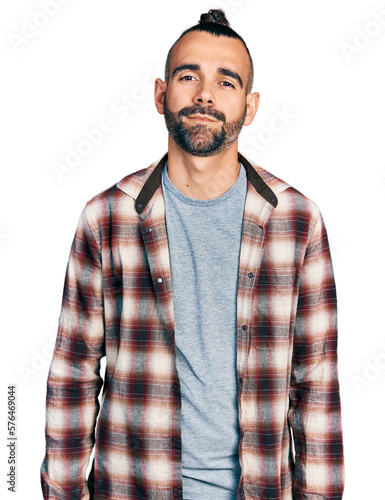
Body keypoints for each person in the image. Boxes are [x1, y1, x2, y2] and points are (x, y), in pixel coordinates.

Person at [40, 8, 345, 500]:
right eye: (189, 76)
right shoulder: (106, 218)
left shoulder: (298, 221)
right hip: (132, 485)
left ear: (250, 106)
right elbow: (73, 372)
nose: (205, 94)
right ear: (161, 94)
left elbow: (316, 387)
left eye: (227, 82)